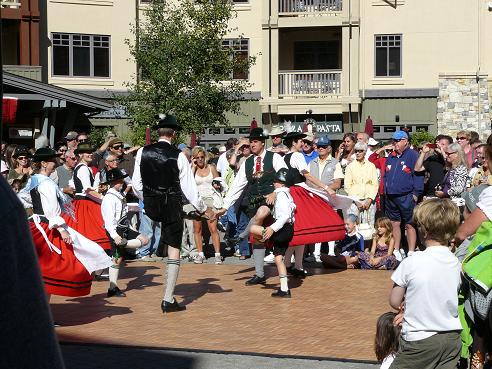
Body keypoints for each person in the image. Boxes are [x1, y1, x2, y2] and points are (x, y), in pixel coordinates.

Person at [132, 114, 213, 313]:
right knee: (174, 247)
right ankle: (168, 299)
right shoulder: (178, 156)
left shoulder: (143, 151)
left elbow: (135, 184)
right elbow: (189, 188)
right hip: (172, 205)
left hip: (151, 203)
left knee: (147, 235)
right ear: (174, 134)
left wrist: (148, 198)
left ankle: (125, 243)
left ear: (158, 132)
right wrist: (204, 209)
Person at [18, 148, 112, 298]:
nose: (55, 163)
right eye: (52, 161)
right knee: (60, 267)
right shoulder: (46, 184)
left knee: (44, 272)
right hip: (47, 228)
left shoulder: (34, 180)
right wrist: (62, 230)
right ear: (43, 163)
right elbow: (51, 209)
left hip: (37, 225)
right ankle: (42, 315)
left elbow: (23, 198)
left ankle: (43, 314)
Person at [0, 175, 66, 369]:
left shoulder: (30, 183)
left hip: (40, 224)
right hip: (44, 226)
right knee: (50, 270)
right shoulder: (36, 185)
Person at [389, 198, 462, 369]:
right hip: (451, 338)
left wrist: (405, 306)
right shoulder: (455, 262)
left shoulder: (412, 261)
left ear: (424, 231)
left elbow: (394, 300)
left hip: (420, 339)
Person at [215, 127, 287, 286]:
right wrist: (225, 207)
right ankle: (259, 273)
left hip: (272, 201)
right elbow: (236, 187)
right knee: (257, 238)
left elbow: (284, 175)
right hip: (253, 202)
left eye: (255, 142)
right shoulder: (248, 162)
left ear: (262, 143)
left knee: (261, 212)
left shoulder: (274, 158)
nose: (252, 145)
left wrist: (276, 191)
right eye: (251, 142)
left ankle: (240, 237)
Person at [280, 131, 344, 277]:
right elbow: (307, 175)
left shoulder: (285, 157)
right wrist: (326, 187)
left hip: (290, 192)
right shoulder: (296, 156)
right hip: (298, 193)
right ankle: (291, 264)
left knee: (300, 231)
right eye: (300, 141)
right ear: (294, 142)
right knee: (303, 228)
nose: (303, 144)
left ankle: (295, 265)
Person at [100, 168, 149, 297]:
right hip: (116, 230)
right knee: (117, 259)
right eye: (119, 180)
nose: (122, 182)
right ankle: (113, 287)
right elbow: (109, 220)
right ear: (112, 182)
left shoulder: (119, 195)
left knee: (144, 240)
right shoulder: (109, 198)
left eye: (122, 180)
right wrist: (115, 236)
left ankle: (123, 244)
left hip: (125, 228)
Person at [249, 168, 295, 298]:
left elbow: (285, 216)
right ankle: (285, 289)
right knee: (278, 259)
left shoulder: (281, 195)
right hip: (287, 229)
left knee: (252, 229)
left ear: (283, 183)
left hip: (282, 229)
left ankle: (264, 242)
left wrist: (271, 228)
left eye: (277, 181)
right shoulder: (286, 194)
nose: (274, 183)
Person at [384, 131, 423, 261]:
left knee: (410, 224)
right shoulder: (392, 155)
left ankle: (411, 251)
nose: (395, 143)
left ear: (405, 141)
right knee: (394, 223)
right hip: (391, 196)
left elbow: (418, 175)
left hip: (406, 195)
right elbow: (386, 174)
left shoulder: (413, 155)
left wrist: (416, 193)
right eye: (394, 141)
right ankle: (396, 249)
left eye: (398, 140)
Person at [65, 143, 111, 250]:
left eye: (91, 152)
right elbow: (87, 190)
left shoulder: (82, 167)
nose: (90, 154)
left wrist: (98, 187)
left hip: (83, 201)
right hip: (85, 203)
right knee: (91, 232)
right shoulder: (83, 168)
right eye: (87, 152)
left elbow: (79, 187)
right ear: (80, 154)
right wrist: (104, 199)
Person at [306, 135, 342, 262]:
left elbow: (337, 183)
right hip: (315, 198)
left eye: (323, 146)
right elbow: (308, 182)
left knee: (330, 224)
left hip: (329, 198)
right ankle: (316, 253)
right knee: (316, 225)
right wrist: (317, 190)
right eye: (319, 146)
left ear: (329, 148)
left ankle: (331, 252)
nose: (320, 148)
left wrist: (325, 188)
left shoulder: (335, 163)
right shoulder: (311, 163)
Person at [191, 146, 223, 264]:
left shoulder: (211, 168)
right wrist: (193, 167)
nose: (199, 159)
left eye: (201, 157)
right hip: (197, 201)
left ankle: (218, 255)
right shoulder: (192, 170)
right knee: (197, 229)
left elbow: (219, 182)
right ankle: (200, 254)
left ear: (205, 157)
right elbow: (188, 183)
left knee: (213, 228)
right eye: (197, 157)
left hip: (211, 200)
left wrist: (217, 186)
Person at [343, 141, 378, 228]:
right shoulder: (350, 166)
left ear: (365, 152)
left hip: (369, 201)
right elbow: (347, 185)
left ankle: (369, 242)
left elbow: (375, 184)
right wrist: (357, 201)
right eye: (356, 151)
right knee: (354, 227)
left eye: (360, 151)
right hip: (354, 202)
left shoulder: (371, 166)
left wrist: (369, 200)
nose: (358, 153)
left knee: (369, 227)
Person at [435, 142, 468, 209]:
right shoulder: (452, 168)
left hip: (455, 205)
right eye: (446, 153)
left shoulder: (461, 169)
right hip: (447, 202)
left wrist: (444, 193)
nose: (446, 155)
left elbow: (459, 189)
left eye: (448, 154)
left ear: (456, 154)